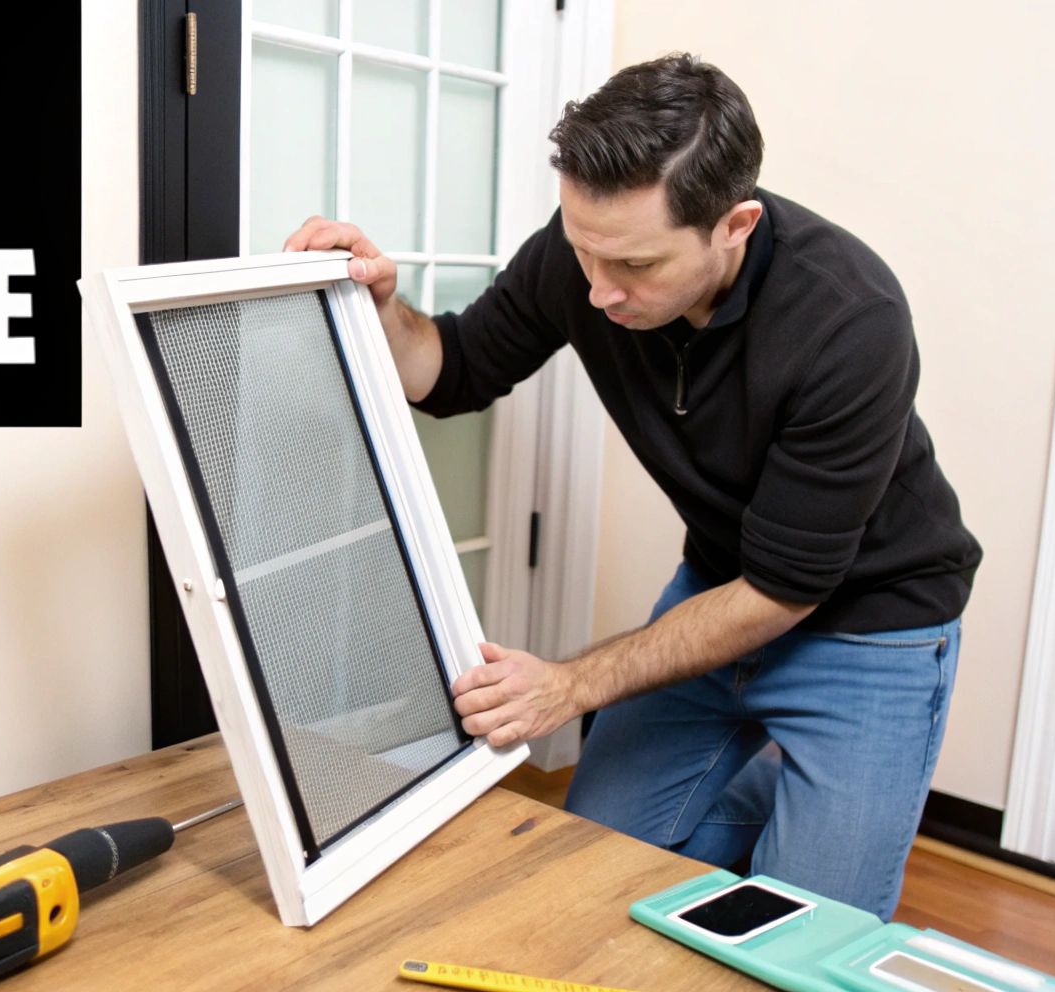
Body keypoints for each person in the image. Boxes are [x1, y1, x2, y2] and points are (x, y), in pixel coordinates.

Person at [283, 52, 981, 922]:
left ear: (735, 225)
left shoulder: (850, 319)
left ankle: (813, 812)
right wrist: (381, 308)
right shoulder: (590, 255)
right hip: (722, 586)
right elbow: (451, 371)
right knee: (594, 864)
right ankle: (789, 803)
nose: (599, 293)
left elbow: (786, 590)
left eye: (637, 267)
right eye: (585, 253)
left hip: (871, 619)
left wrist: (570, 686)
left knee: (807, 936)